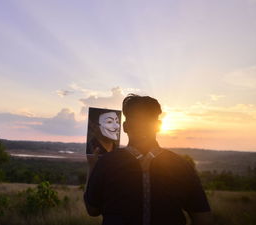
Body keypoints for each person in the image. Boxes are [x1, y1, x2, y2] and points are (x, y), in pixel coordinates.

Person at [84, 94, 213, 225]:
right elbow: (203, 219)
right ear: (158, 126)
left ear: (125, 127)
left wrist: (92, 166)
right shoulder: (181, 165)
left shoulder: (106, 163)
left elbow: (92, 210)